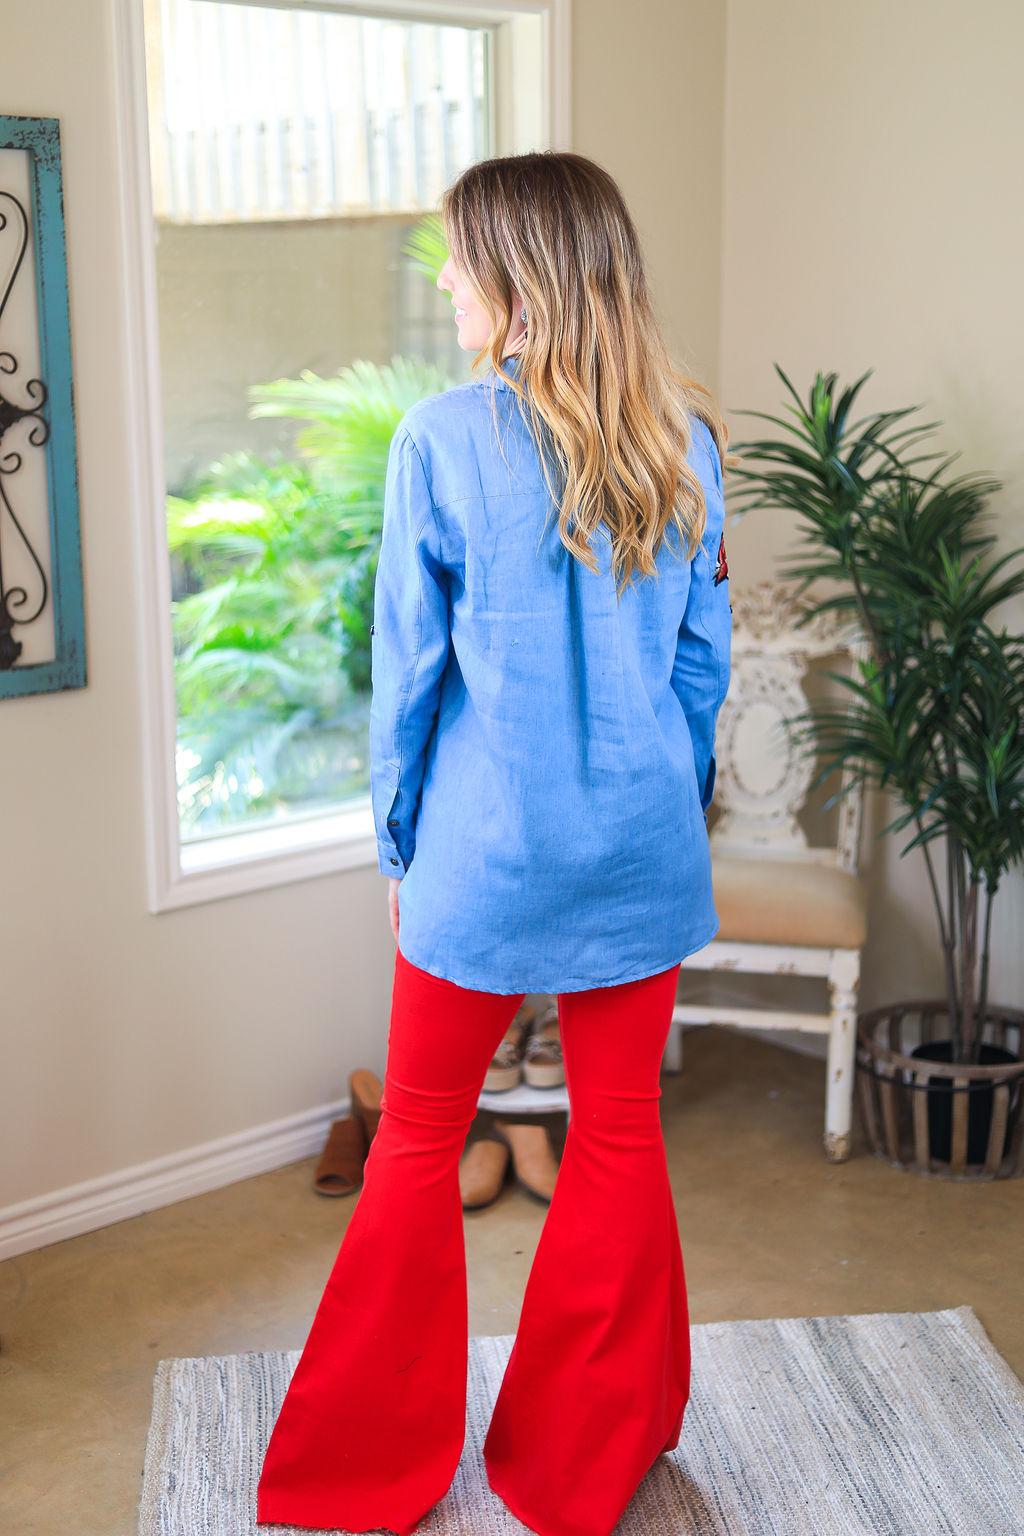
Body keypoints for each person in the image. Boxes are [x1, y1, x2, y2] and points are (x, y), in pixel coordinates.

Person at [257, 150, 731, 1536]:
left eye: (464, 256)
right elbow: (699, 675)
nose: (450, 277)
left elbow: (409, 675)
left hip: (485, 854)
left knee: (414, 1142)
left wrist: (398, 847)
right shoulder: (688, 441)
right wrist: (664, 804)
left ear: (523, 279)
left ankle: (362, 1472)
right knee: (619, 1138)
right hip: (643, 850)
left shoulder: (441, 441)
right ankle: (585, 1463)